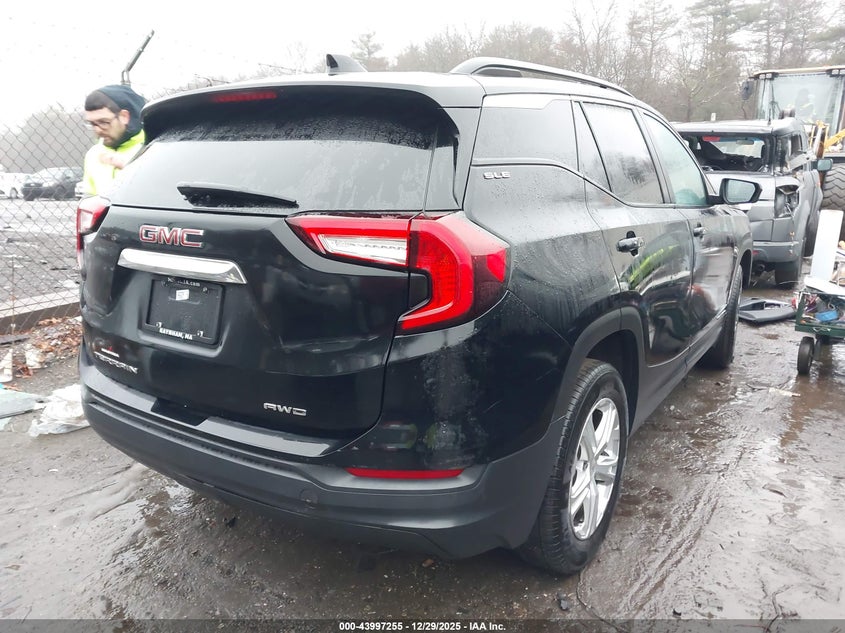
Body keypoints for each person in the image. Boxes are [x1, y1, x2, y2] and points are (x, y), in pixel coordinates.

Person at [82, 84, 146, 196]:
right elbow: (89, 200)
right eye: (92, 124)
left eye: (103, 122)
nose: (97, 130)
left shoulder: (154, 147)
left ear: (124, 116)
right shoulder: (94, 154)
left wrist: (132, 172)